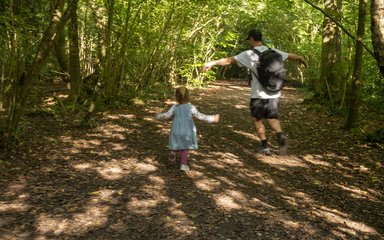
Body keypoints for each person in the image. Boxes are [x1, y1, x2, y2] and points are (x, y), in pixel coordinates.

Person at [202, 29, 308, 155]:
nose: (248, 41)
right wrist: (301, 58)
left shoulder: (249, 54)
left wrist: (212, 62)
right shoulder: (273, 51)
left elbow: (229, 60)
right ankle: (281, 137)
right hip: (274, 93)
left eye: (248, 39)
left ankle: (265, 147)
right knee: (272, 117)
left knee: (257, 120)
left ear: (252, 38)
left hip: (258, 95)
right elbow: (290, 56)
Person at [156, 86, 220, 171]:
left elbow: (167, 115)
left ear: (176, 97)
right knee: (185, 147)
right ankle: (183, 165)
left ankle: (172, 153)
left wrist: (158, 116)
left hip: (176, 130)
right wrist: (212, 118)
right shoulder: (191, 107)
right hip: (187, 131)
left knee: (175, 143)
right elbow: (200, 116)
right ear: (188, 96)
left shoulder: (174, 107)